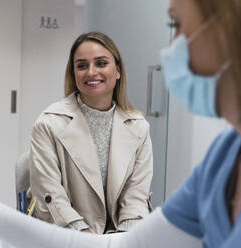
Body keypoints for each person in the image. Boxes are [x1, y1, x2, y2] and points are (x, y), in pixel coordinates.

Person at [0, 0, 241, 247]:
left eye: (176, 23)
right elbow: (56, 201)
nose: (171, 46)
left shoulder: (137, 126)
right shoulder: (222, 158)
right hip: (78, 233)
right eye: (82, 66)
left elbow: (135, 205)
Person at [27, 31, 153, 234]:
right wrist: (87, 239)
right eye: (82, 65)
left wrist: (125, 238)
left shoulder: (138, 127)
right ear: (74, 73)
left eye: (101, 63)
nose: (91, 72)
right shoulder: (48, 124)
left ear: (118, 71)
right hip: (66, 236)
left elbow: (136, 195)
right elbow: (50, 196)